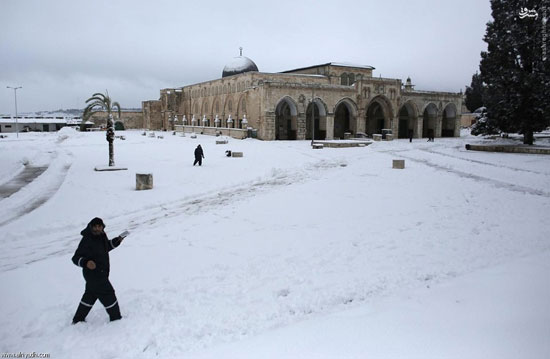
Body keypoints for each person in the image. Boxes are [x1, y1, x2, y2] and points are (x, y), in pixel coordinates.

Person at [71, 217, 124, 324]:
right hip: (94, 275)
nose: (97, 229)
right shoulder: (87, 240)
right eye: (95, 226)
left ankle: (78, 319)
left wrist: (116, 241)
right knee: (108, 294)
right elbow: (75, 258)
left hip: (101, 273)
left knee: (90, 295)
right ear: (91, 227)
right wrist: (86, 263)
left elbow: (106, 247)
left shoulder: (101, 236)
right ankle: (116, 319)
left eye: (99, 226)